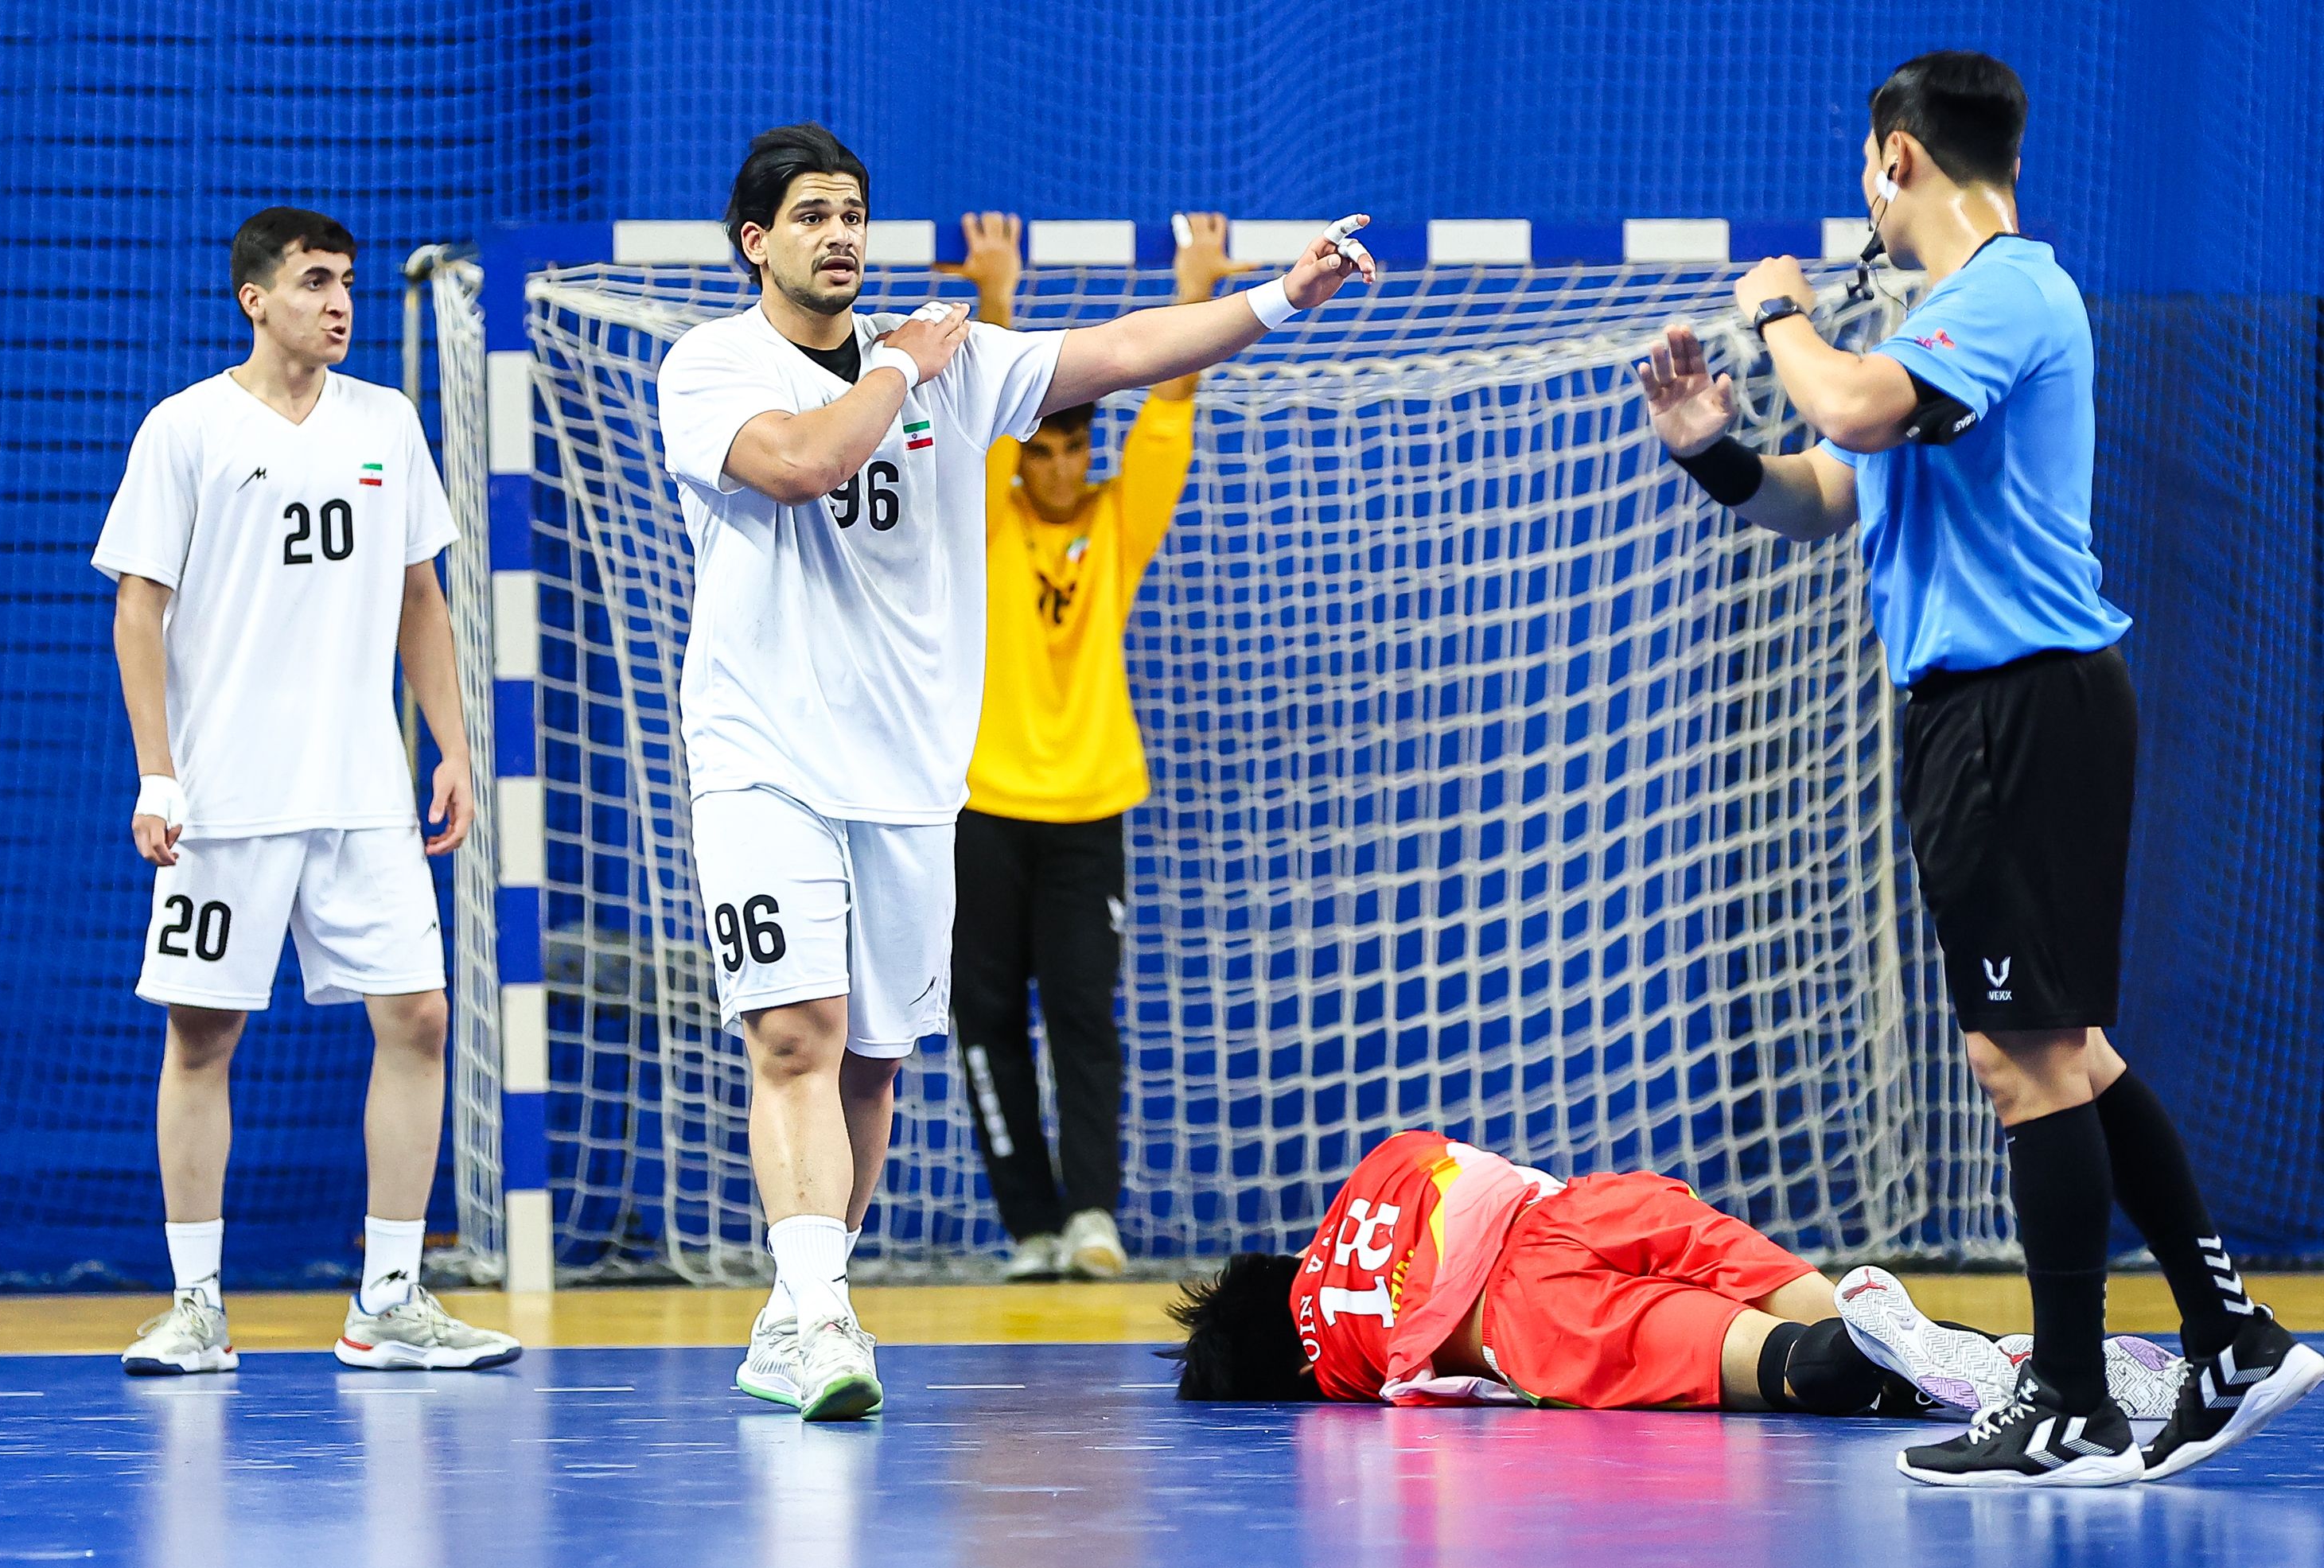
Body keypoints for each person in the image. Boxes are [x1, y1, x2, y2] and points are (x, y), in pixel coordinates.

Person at [1636, 51, 2321, 1484]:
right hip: (1984, 717)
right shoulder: (1939, 332)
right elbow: (1827, 492)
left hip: (2020, 709)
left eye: (1867, 169)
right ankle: (2231, 1337)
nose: (1865, 197)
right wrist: (1712, 450)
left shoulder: (2006, 292)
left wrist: (1779, 314)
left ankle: (2068, 1394)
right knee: (2066, 1050)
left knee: (2019, 1060)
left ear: (1897, 157)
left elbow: (1851, 411)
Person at [656, 123, 1373, 1420]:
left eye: (853, 212)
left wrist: (1279, 295)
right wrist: (900, 366)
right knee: (797, 1033)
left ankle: (799, 1307)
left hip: (910, 778)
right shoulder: (716, 363)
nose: (840, 234)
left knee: (872, 1062)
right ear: (755, 241)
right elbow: (804, 464)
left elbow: (1130, 350)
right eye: (811, 215)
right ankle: (820, 1313)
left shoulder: (959, 361)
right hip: (762, 759)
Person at [96, 207, 520, 1376]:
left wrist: (451, 744)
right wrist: (158, 773)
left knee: (420, 1017)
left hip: (362, 793)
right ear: (256, 298)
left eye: (347, 283)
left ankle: (389, 1298)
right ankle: (195, 1303)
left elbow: (421, 595)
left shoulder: (385, 421)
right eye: (315, 281)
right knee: (202, 1032)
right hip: (225, 798)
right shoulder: (186, 426)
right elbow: (138, 607)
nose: (339, 302)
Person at [941, 211, 1251, 1283]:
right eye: (1045, 448)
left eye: (1077, 445)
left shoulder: (1117, 522)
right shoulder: (984, 520)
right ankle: (1029, 1226)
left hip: (1088, 810)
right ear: (1024, 456)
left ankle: (1090, 1215)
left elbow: (1169, 405)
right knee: (985, 1019)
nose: (1062, 464)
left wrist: (1198, 285)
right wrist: (994, 296)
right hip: (983, 807)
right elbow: (981, 412)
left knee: (1082, 1016)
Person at [1163, 1130, 2187, 1423]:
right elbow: (1464, 1162)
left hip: (1536, 1316)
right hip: (1584, 1208)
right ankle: (2054, 1362)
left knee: (1797, 1366)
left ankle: (1884, 1359)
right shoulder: (1379, 1168)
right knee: (1831, 1301)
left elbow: (1430, 1379)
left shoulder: (1331, 1365)